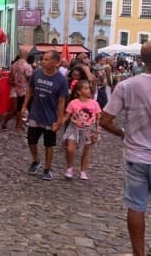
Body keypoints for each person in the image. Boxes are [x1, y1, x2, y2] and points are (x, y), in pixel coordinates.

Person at [100, 41, 151, 256]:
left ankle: (138, 253)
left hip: (136, 155)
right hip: (138, 155)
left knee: (136, 206)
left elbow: (104, 120)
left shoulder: (127, 85)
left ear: (141, 60)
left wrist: (122, 132)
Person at [20, 50, 68, 181]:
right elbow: (30, 89)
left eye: (47, 59)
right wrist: (24, 106)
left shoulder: (61, 80)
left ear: (55, 62)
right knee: (31, 141)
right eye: (43, 59)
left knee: (49, 144)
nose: (43, 61)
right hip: (36, 114)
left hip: (50, 117)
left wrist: (59, 120)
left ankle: (47, 168)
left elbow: (62, 101)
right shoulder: (36, 73)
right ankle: (36, 161)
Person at [62, 80, 101, 180]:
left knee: (85, 151)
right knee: (70, 149)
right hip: (73, 128)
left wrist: (97, 131)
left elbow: (97, 119)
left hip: (88, 129)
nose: (89, 90)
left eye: (89, 88)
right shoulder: (73, 103)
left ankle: (83, 171)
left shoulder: (94, 103)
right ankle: (69, 167)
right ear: (79, 92)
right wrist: (59, 124)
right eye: (86, 88)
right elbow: (66, 116)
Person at [1, 49, 32, 132]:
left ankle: (10, 124)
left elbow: (9, 80)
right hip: (23, 91)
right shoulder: (27, 66)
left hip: (14, 90)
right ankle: (17, 126)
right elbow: (30, 81)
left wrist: (16, 83)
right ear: (27, 56)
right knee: (20, 109)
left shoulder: (14, 65)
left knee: (16, 109)